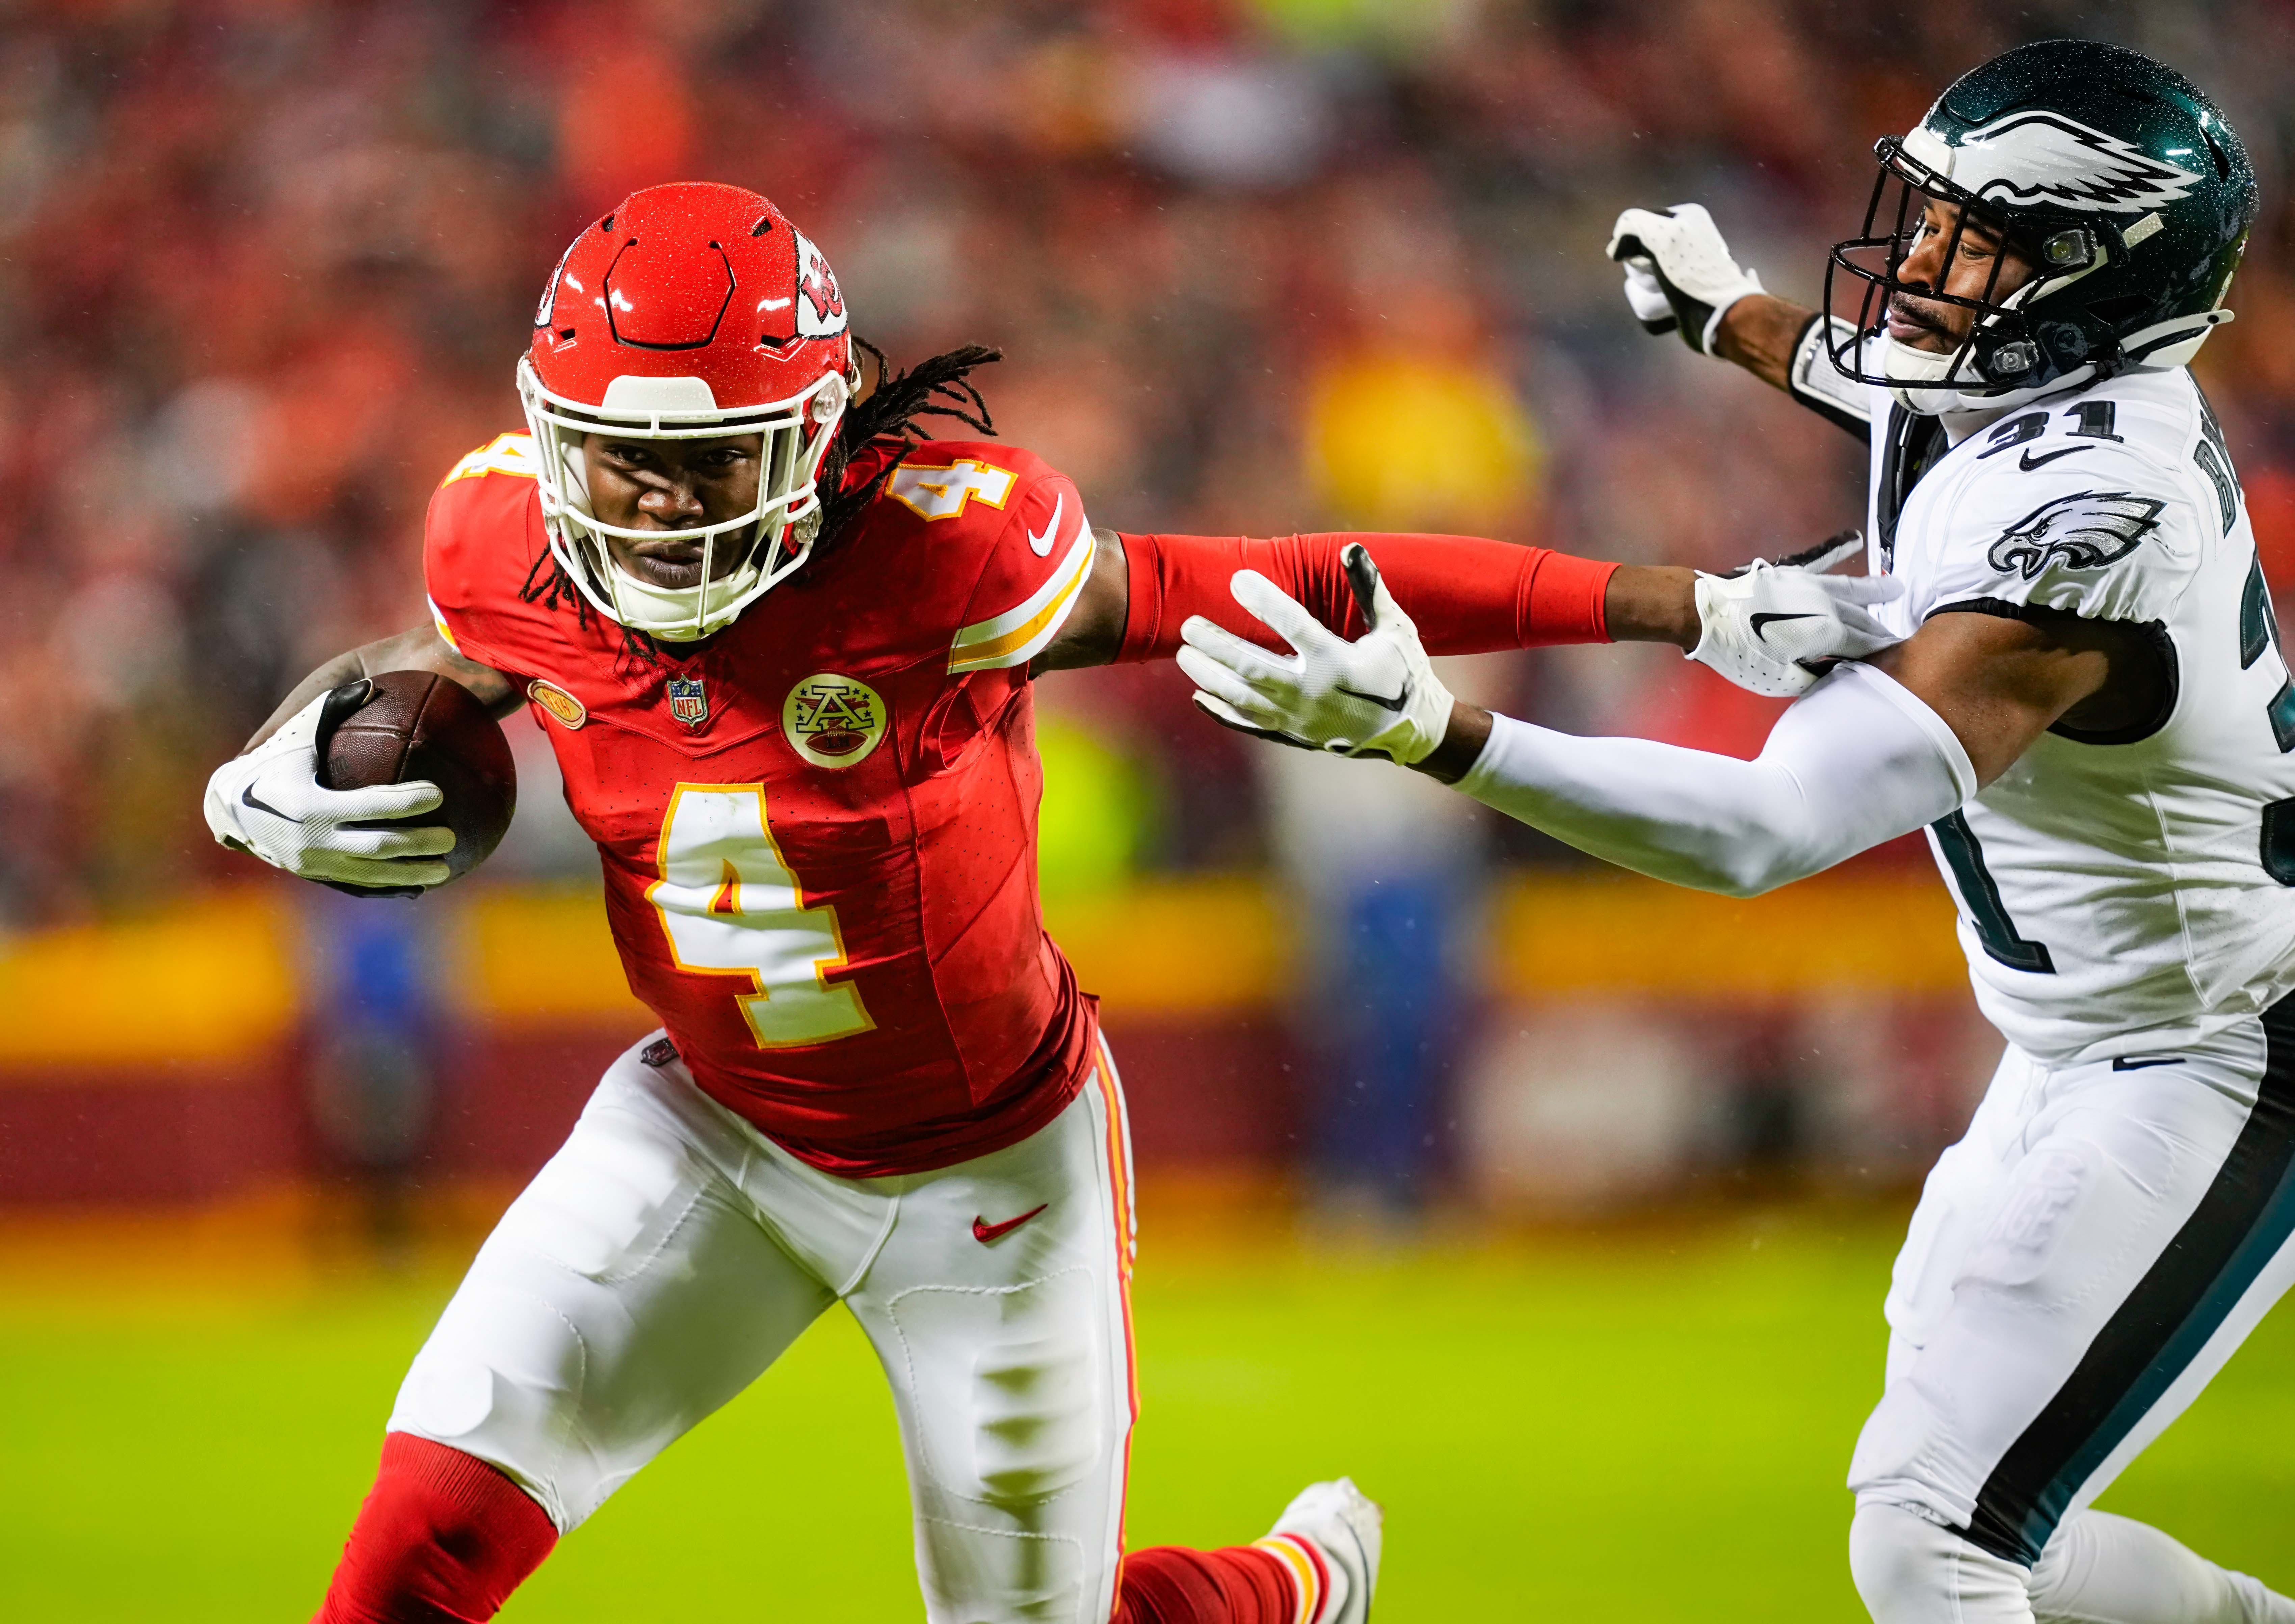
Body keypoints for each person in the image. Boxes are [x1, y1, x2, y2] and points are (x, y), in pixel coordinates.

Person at [203, 180, 1888, 1624]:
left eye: (706, 466)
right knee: (409, 1548)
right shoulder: (495, 536)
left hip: (989, 1177)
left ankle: (1286, 1585)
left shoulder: (944, 554)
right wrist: (273, 757)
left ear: (805, 439)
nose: (650, 509)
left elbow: (1289, 575)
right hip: (706, 1133)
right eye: (616, 463)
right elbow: (438, 670)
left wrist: (1680, 603)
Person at [1179, 37, 2295, 1624]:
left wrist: (1431, 732)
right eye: (1918, 216)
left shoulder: (2099, 518)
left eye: (1967, 239)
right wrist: (1727, 319)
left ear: (2086, 281)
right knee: (1977, 1528)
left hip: (2224, 1052)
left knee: (1934, 1538)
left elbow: (1764, 831)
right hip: (2075, 1039)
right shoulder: (2013, 380)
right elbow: (1878, 375)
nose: (1914, 265)